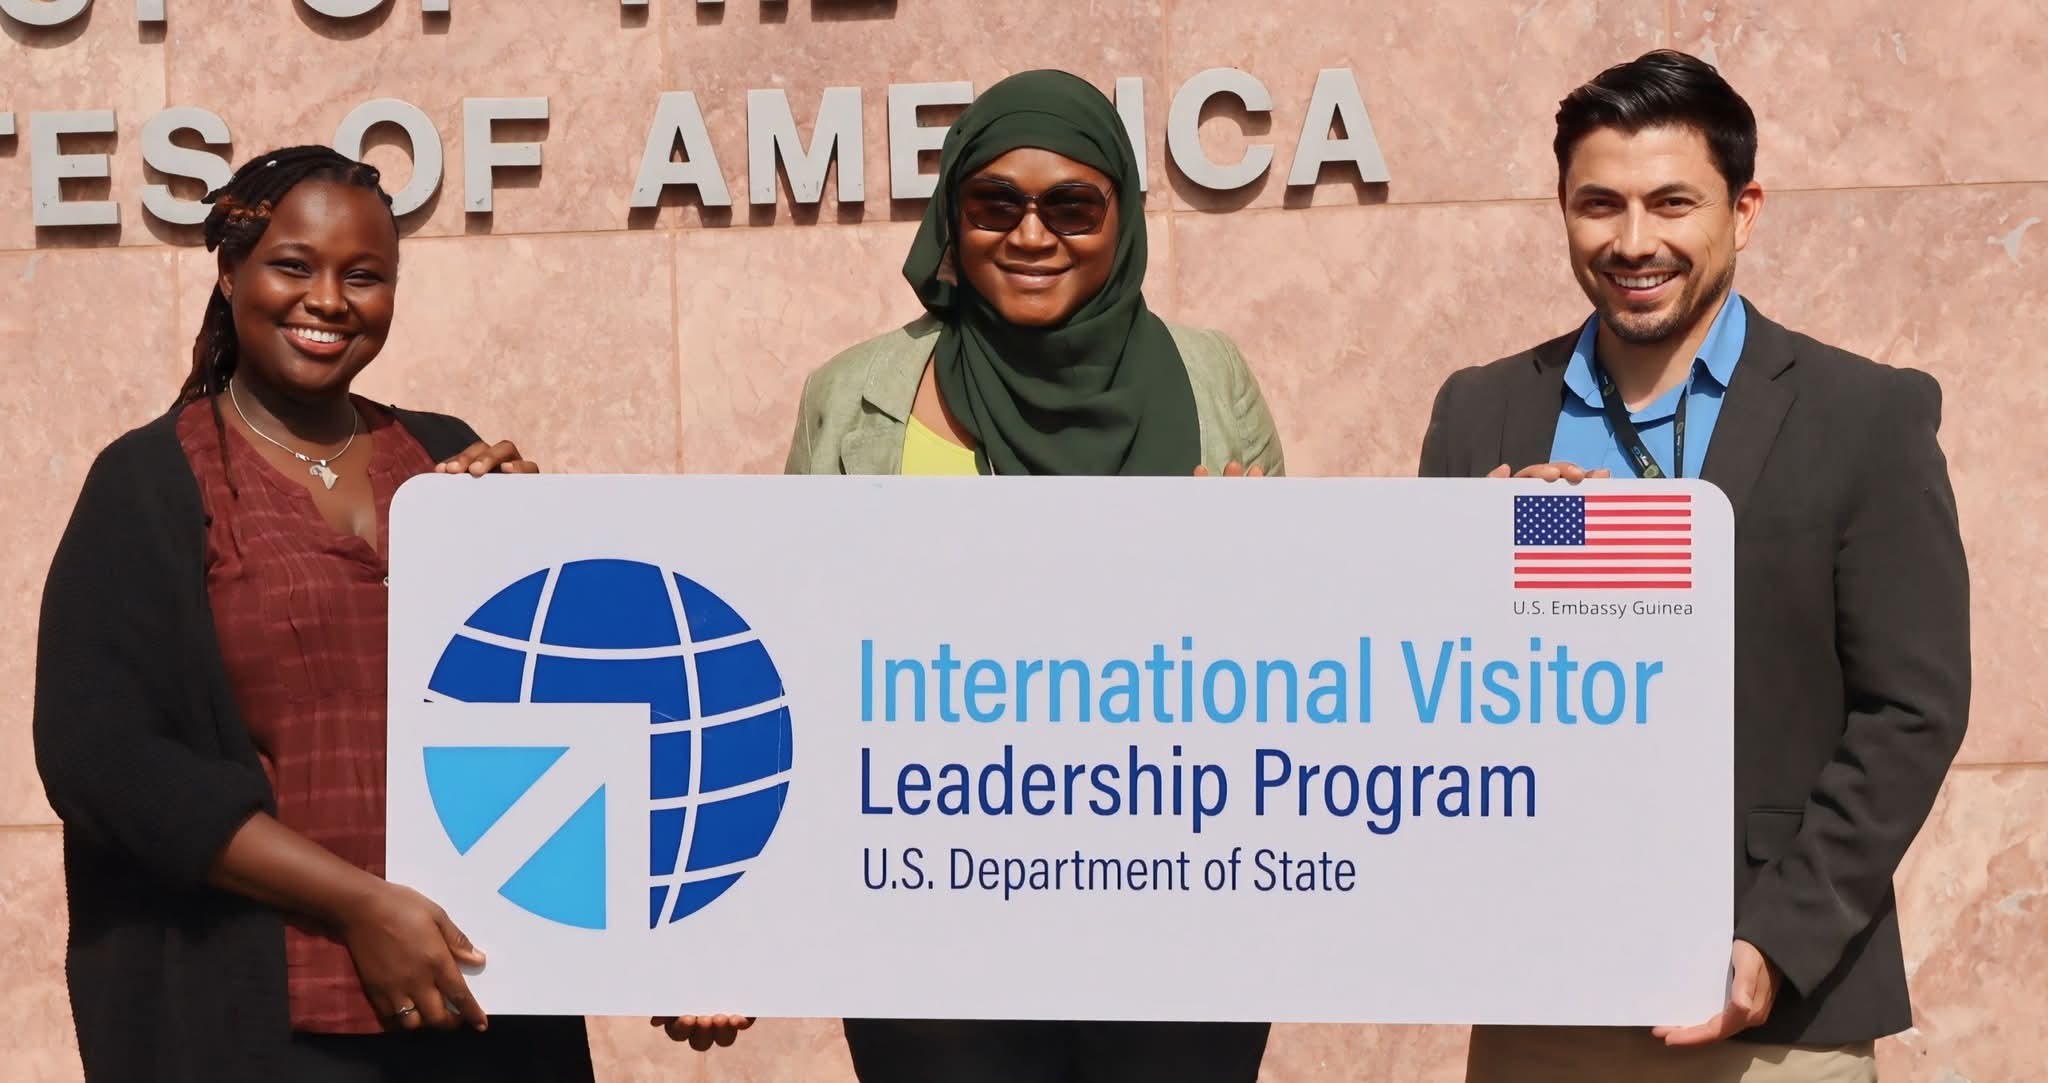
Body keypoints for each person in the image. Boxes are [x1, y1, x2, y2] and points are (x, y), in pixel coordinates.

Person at [658, 69, 1284, 1080]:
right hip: (925, 916)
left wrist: (1253, 576)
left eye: (1072, 207)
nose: (1031, 236)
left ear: (1121, 218)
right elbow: (792, 666)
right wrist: (734, 922)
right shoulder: (855, 393)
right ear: (952, 216)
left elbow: (1288, 654)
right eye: (995, 204)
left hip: (1176, 905)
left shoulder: (1209, 376)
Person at [1418, 51, 1970, 1083]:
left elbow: (1912, 710)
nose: (1634, 241)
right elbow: (1426, 689)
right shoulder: (1480, 411)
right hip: (1541, 1004)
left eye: (1671, 202)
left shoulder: (1866, 416)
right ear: (1563, 210)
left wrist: (1775, 940)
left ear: (1743, 209)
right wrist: (1470, 569)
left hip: (1772, 1017)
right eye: (1600, 205)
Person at [33, 146, 594, 1083]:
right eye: (294, 265)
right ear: (230, 273)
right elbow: (102, 758)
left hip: (486, 1003)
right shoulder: (151, 482)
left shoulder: (448, 458)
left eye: (363, 276)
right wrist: (358, 904)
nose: (328, 300)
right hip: (264, 1023)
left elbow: (559, 707)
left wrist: (535, 556)